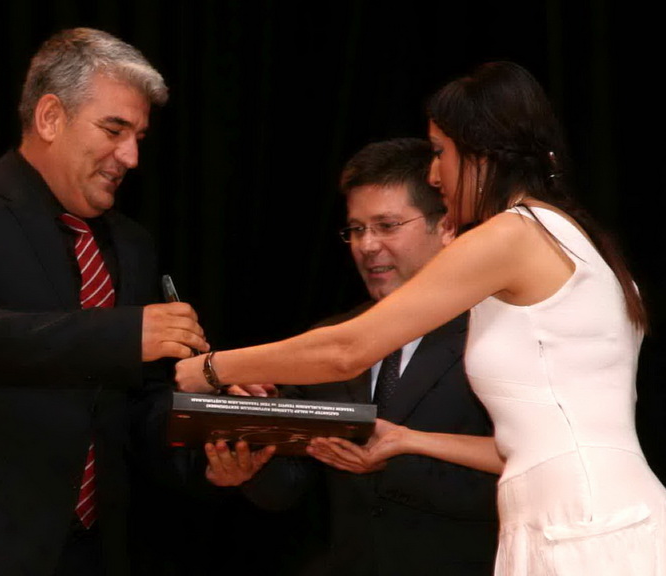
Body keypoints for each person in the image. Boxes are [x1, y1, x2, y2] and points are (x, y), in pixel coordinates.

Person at [176, 61, 666, 575]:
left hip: (579, 523)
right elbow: (528, 447)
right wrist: (407, 439)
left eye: (440, 152)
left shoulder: (513, 233)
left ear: (481, 152)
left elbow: (348, 349)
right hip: (580, 514)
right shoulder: (575, 235)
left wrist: (212, 368)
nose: (435, 175)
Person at [0, 28, 208, 576]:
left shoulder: (132, 244)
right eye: (114, 130)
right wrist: (128, 334)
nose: (130, 156)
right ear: (51, 117)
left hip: (94, 550)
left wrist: (214, 439)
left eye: (139, 137)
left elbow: (138, 405)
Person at [205, 138, 498, 575]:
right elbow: (289, 488)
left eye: (386, 225)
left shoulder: (493, 334)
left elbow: (525, 478)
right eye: (356, 229)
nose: (367, 245)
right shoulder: (328, 340)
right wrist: (250, 462)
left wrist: (391, 463)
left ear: (446, 226)